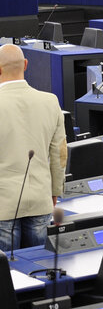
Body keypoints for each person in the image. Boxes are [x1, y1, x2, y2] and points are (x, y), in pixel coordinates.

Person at [0, 44, 66, 252]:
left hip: (3, 208)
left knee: (8, 279)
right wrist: (55, 192)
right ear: (26, 65)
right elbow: (59, 155)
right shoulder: (50, 101)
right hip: (40, 201)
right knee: (40, 270)